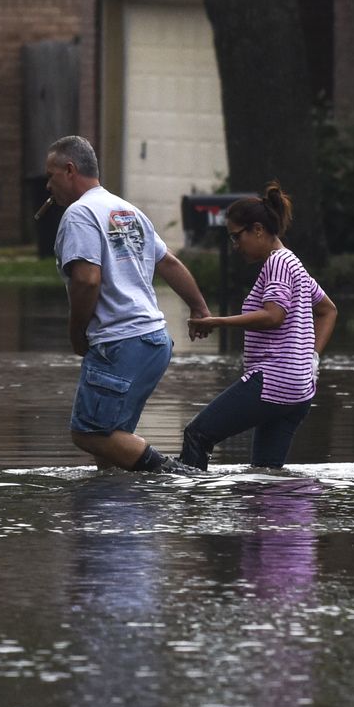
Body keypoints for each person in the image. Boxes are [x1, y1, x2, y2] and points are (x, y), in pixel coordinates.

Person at [44, 135, 210, 474]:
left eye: (51, 175)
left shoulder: (79, 214)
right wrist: (199, 309)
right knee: (112, 444)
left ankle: (176, 475)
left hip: (119, 343)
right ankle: (114, 520)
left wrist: (76, 332)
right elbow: (169, 263)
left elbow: (87, 280)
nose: (48, 185)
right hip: (154, 342)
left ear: (69, 170)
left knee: (88, 432)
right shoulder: (126, 211)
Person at [181, 182, 337, 470]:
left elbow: (273, 315)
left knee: (197, 434)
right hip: (299, 388)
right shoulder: (294, 264)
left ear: (258, 229)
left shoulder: (276, 263)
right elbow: (328, 310)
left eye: (236, 237)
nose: (235, 245)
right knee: (265, 472)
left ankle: (191, 508)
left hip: (273, 381)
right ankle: (281, 515)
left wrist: (217, 321)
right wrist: (311, 358)